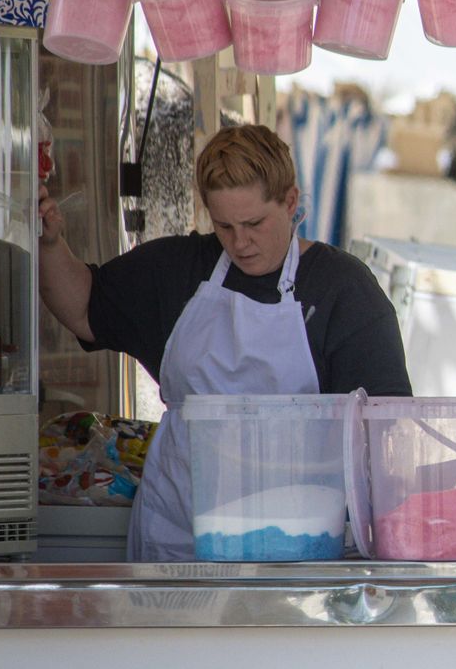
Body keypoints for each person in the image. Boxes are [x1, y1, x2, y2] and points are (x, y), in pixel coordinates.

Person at [38, 124, 411, 561]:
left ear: (291, 202)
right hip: (180, 541)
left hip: (299, 549)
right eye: (224, 225)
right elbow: (84, 309)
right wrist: (49, 244)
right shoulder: (175, 270)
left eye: (254, 223)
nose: (240, 242)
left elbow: (387, 434)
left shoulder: (343, 291)